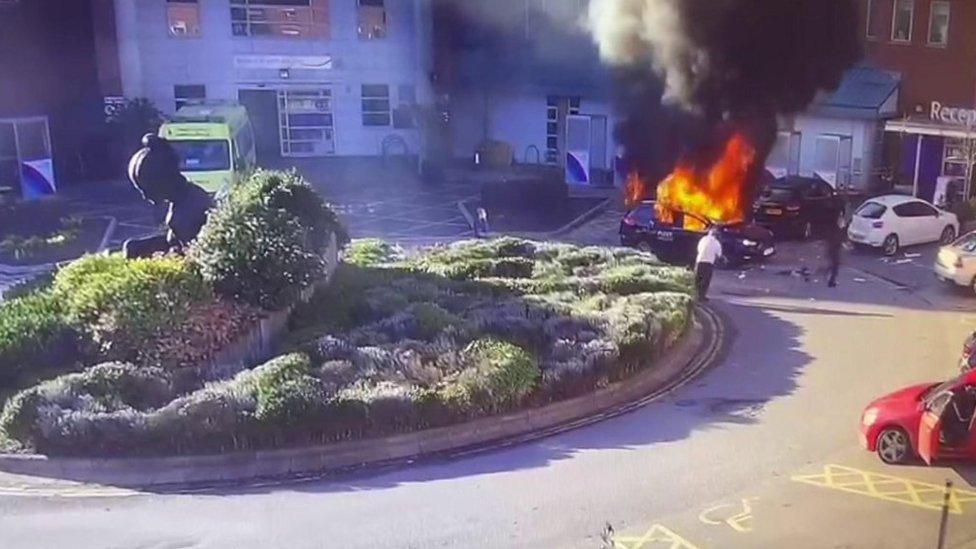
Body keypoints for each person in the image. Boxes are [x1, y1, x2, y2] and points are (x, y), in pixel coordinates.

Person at [122, 134, 213, 259]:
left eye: (145, 189)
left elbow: (188, 261)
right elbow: (173, 241)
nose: (144, 196)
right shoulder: (190, 195)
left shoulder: (183, 217)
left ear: (160, 183)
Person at [695, 227, 723, 301]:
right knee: (706, 280)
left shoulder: (703, 239)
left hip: (699, 261)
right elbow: (719, 255)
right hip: (709, 263)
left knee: (698, 279)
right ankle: (701, 296)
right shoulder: (717, 243)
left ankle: (695, 295)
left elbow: (698, 249)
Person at [826, 210, 846, 288]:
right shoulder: (835, 229)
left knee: (834, 265)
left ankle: (831, 279)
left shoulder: (836, 228)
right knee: (835, 265)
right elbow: (836, 238)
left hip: (834, 248)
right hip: (833, 248)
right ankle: (831, 280)